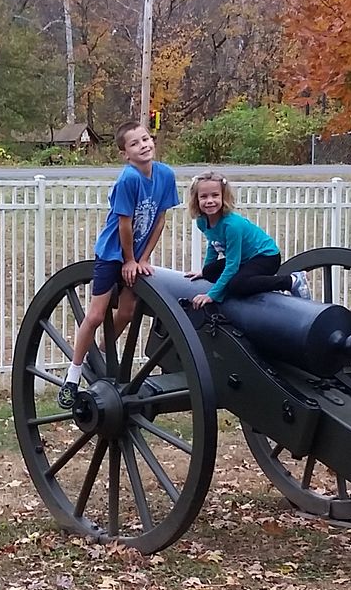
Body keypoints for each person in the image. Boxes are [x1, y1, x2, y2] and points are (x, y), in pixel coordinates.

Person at [60, 120, 180, 407]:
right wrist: (128, 260)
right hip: (112, 254)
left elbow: (160, 220)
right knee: (96, 315)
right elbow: (125, 225)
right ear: (125, 154)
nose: (144, 146)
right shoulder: (128, 179)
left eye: (146, 139)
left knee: (127, 311)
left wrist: (143, 258)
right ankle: (73, 375)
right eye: (135, 144)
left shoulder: (165, 175)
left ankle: (99, 356)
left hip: (135, 256)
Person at [183, 172, 309, 309]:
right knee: (209, 272)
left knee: (238, 285)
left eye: (215, 195)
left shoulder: (231, 225)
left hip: (265, 257)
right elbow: (213, 246)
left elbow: (232, 265)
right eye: (203, 196)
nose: (209, 201)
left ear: (224, 197)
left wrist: (212, 295)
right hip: (244, 259)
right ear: (196, 199)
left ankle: (291, 281)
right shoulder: (202, 222)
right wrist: (205, 272)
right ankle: (256, 283)